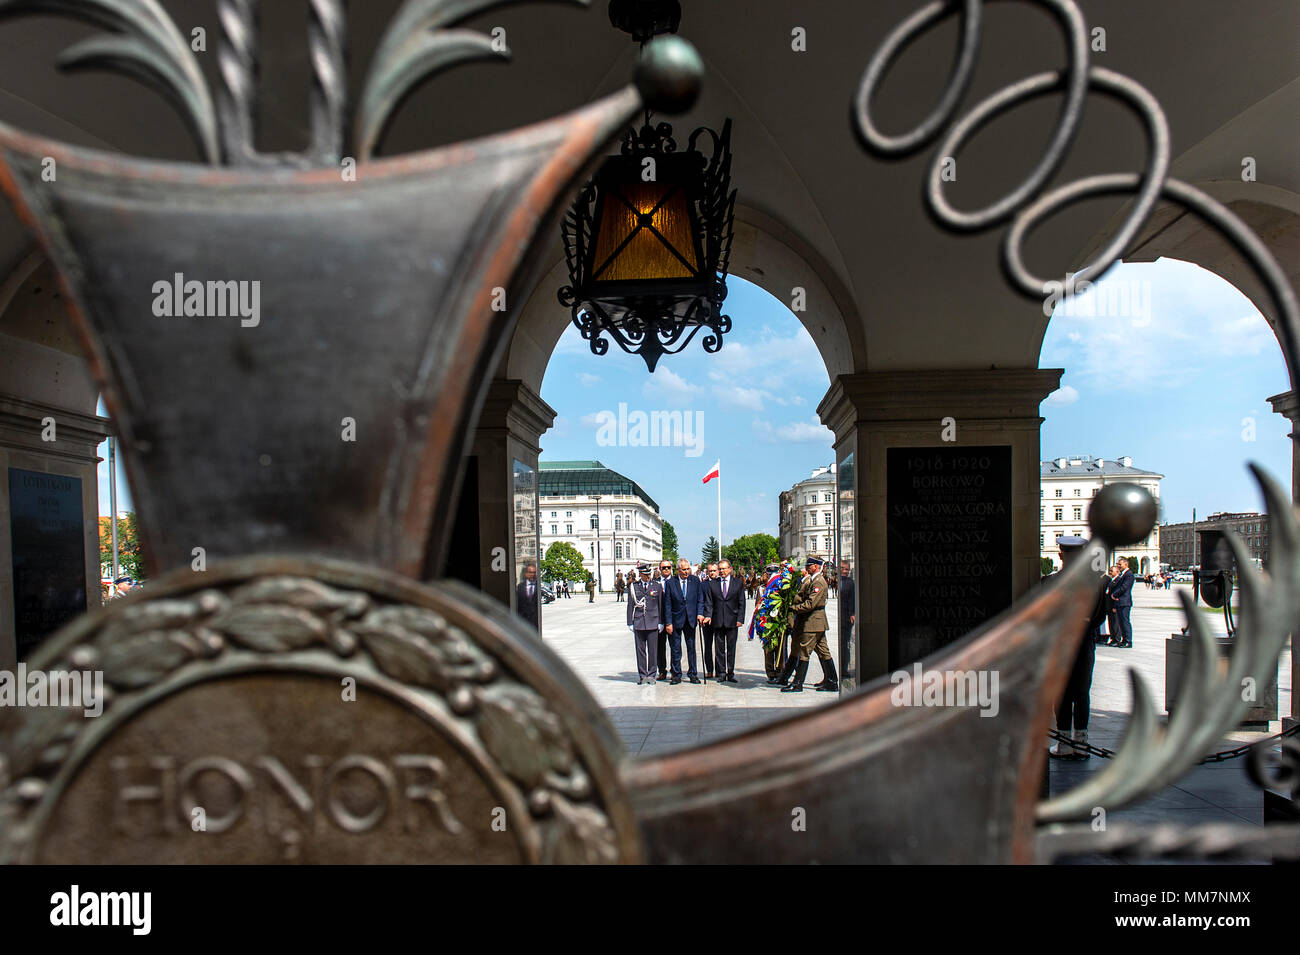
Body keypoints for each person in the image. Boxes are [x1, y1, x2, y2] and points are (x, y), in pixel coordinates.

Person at [1046, 537, 1108, 759]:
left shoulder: (1050, 582)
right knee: (1082, 693)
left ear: (1060, 555)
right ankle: (1081, 741)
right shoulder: (1097, 583)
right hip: (1083, 643)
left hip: (1060, 644)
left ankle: (1063, 743)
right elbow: (1100, 615)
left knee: (1062, 693)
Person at [783, 555, 836, 693]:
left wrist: (792, 608)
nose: (807, 568)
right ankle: (831, 680)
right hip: (816, 622)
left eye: (809, 565)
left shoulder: (818, 582)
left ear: (816, 567)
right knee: (823, 652)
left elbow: (810, 604)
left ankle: (798, 683)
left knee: (804, 651)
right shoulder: (815, 580)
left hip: (813, 622)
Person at [702, 558, 746, 683]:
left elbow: (741, 602)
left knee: (731, 648)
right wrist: (708, 615)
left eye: (723, 568)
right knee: (719, 649)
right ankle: (721, 672)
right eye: (719, 569)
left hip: (732, 620)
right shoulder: (713, 583)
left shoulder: (737, 583)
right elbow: (709, 602)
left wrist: (740, 619)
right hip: (718, 620)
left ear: (730, 569)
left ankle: (730, 673)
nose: (721, 571)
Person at [664, 558, 705, 684]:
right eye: (684, 569)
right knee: (676, 648)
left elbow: (700, 599)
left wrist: (700, 613)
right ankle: (676, 674)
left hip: (691, 619)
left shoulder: (695, 581)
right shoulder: (671, 583)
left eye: (688, 569)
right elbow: (667, 604)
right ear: (677, 570)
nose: (686, 572)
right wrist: (668, 623)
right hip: (676, 620)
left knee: (691, 648)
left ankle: (693, 674)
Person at [626, 562, 666, 685]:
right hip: (639, 622)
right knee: (640, 651)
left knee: (653, 650)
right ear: (640, 574)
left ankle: (652, 674)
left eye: (649, 574)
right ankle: (643, 675)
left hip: (653, 622)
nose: (648, 576)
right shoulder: (634, 587)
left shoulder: (657, 586)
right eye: (645, 574)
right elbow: (630, 605)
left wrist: (661, 622)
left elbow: (660, 605)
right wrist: (630, 622)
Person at [655, 559, 675, 680]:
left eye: (668, 567)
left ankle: (674, 670)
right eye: (664, 568)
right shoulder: (655, 583)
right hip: (659, 619)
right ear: (660, 569)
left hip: (673, 619)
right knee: (659, 647)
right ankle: (662, 670)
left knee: (674, 646)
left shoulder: (676, 581)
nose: (666, 569)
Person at [1109, 557, 1134, 648]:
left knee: (1125, 622)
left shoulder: (1129, 574)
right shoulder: (1122, 574)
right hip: (1120, 602)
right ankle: (1124, 640)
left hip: (1124, 602)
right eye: (1118, 564)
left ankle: (1128, 641)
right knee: (1121, 622)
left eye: (1120, 564)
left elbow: (1124, 587)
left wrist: (1114, 595)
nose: (1119, 566)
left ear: (1126, 564)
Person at [837, 560, 855, 681]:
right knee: (842, 643)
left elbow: (852, 599)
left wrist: (852, 613)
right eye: (842, 568)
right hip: (840, 615)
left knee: (845, 644)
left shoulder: (850, 583)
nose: (844, 571)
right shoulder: (837, 581)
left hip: (846, 617)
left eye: (846, 569)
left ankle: (844, 668)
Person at [515, 562, 539, 630]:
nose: (533, 574)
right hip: (523, 622)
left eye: (534, 572)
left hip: (535, 623)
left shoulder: (539, 587)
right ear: (526, 574)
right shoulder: (520, 587)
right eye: (530, 572)